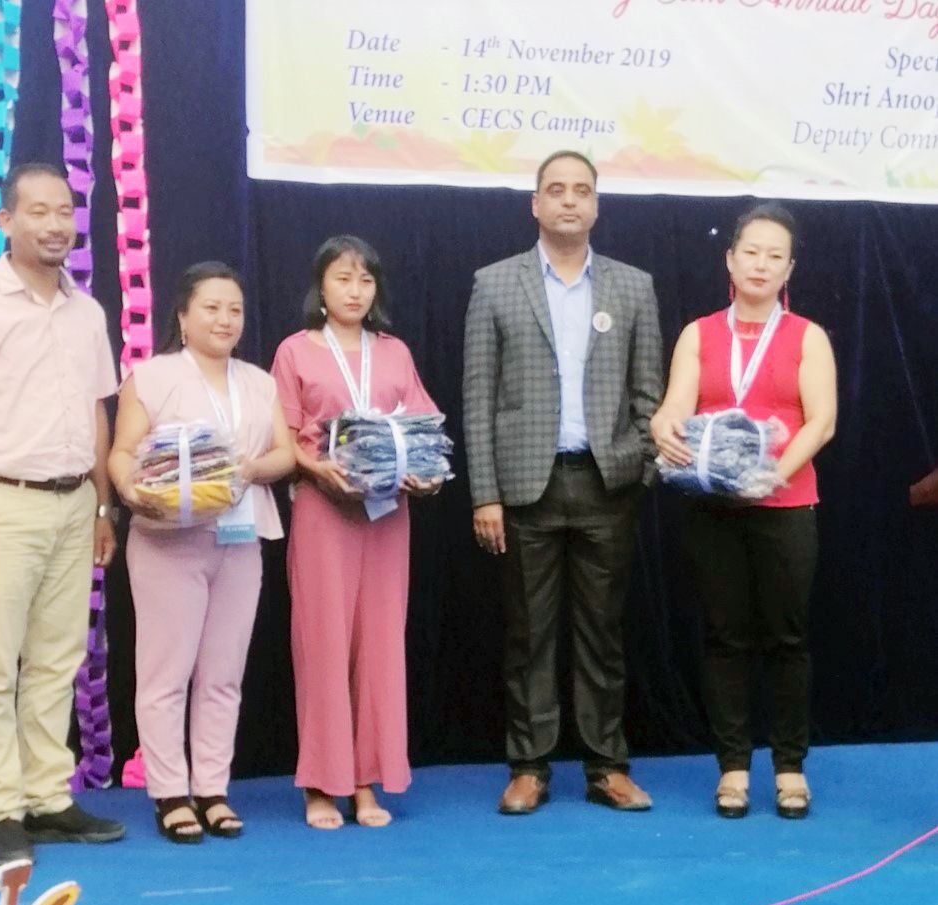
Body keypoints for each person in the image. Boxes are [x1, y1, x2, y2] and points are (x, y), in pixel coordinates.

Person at [0, 162, 125, 866]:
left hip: (75, 504)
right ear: (4, 220)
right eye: (36, 210)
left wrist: (103, 503)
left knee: (56, 659)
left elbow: (99, 411)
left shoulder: (87, 310)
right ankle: (0, 808)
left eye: (63, 209)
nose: (54, 223)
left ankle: (48, 797)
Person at [463, 150, 663, 815]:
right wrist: (484, 491)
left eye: (581, 190)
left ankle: (607, 765)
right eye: (556, 190)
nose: (569, 201)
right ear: (535, 204)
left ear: (597, 204)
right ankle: (529, 764)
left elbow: (649, 395)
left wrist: (638, 460)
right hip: (525, 485)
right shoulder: (494, 283)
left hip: (607, 482)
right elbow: (476, 396)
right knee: (529, 635)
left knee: (603, 633)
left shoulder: (633, 286)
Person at [650, 202, 836, 819]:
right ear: (730, 259)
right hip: (712, 506)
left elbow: (823, 422)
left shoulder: (807, 336)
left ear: (789, 270)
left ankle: (789, 768)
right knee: (725, 638)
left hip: (786, 504)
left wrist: (770, 476)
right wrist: (662, 425)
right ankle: (732, 768)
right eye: (750, 251)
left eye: (774, 255)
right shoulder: (699, 334)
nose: (761, 264)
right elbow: (675, 406)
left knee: (787, 638)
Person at [108, 262, 295, 842]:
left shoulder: (260, 382)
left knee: (223, 675)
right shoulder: (153, 376)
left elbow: (286, 454)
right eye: (211, 307)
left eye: (234, 309)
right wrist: (134, 492)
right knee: (167, 673)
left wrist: (249, 469)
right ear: (183, 317)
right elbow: (121, 452)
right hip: (168, 541)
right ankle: (169, 793)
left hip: (239, 541)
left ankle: (212, 788)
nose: (224, 318)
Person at [270, 236, 442, 830]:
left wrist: (426, 476)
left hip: (389, 516)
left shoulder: (394, 352)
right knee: (322, 645)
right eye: (343, 279)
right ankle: (322, 782)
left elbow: (424, 428)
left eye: (365, 280)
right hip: (325, 511)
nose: (354, 290)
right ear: (321, 286)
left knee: (380, 648)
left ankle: (368, 781)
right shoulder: (295, 351)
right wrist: (316, 468)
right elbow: (282, 437)